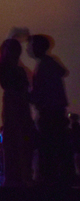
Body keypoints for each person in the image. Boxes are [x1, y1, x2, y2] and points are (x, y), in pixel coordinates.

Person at [27, 34, 70, 184]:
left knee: (47, 148)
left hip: (48, 112)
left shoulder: (43, 66)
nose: (28, 49)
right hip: (57, 111)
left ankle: (48, 182)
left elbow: (38, 93)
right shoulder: (50, 63)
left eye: (31, 46)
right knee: (59, 146)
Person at [0, 35, 34, 185]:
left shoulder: (5, 67)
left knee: (13, 139)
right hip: (18, 104)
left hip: (14, 103)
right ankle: (22, 175)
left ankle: (14, 176)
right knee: (20, 139)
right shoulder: (15, 69)